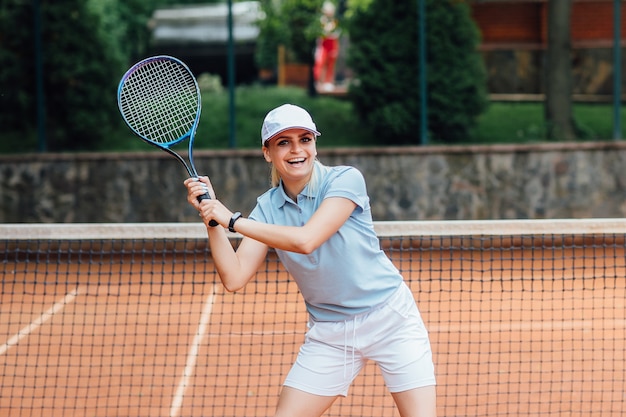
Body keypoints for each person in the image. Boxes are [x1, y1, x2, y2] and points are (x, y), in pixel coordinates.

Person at [184, 104, 437, 417]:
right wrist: (211, 219)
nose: (296, 149)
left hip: (391, 320)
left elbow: (306, 240)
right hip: (330, 334)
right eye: (283, 142)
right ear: (267, 153)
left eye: (305, 139)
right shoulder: (267, 207)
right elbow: (234, 277)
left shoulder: (344, 180)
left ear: (315, 145)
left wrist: (231, 219)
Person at [314, 1, 341, 92]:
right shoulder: (322, 21)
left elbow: (336, 35)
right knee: (321, 63)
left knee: (331, 64)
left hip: (332, 43)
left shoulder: (335, 22)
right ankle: (318, 82)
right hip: (323, 44)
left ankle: (328, 82)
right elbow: (320, 35)